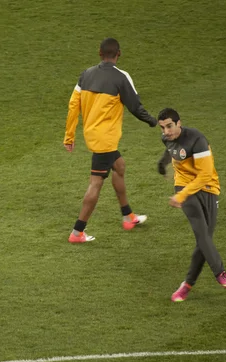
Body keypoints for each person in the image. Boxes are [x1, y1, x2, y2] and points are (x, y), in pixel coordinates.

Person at [63, 38, 157, 243]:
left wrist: (69, 135)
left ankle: (128, 216)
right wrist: (153, 121)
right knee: (95, 183)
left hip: (93, 135)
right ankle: (77, 232)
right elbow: (135, 106)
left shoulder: (85, 74)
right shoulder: (121, 77)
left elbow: (73, 105)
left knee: (120, 167)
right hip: (105, 141)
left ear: (99, 53)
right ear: (119, 54)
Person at [156, 108, 226, 302]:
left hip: (207, 187)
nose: (166, 131)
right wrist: (162, 164)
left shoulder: (197, 140)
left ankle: (187, 285)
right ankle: (220, 273)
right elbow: (171, 151)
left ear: (179, 123)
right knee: (201, 233)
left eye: (169, 126)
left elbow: (205, 175)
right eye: (162, 128)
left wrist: (182, 195)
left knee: (205, 240)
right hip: (183, 186)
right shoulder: (166, 138)